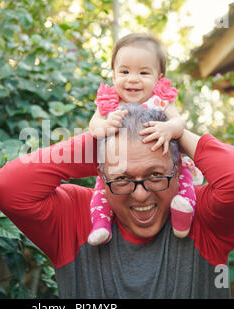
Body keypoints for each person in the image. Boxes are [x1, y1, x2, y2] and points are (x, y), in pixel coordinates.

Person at [0, 42, 234, 300]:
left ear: (178, 166)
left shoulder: (204, 218)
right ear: (101, 174)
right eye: (121, 178)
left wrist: (177, 135)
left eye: (156, 175)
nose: (141, 194)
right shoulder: (75, 218)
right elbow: (7, 187)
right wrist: (99, 145)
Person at [87, 33, 203, 246]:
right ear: (113, 76)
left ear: (159, 79)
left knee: (183, 178)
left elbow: (179, 123)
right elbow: (93, 126)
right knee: (102, 188)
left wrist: (169, 128)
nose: (132, 78)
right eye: (124, 71)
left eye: (143, 72)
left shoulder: (161, 101)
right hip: (119, 165)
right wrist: (105, 126)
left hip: (162, 162)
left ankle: (182, 216)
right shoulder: (110, 103)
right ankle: (101, 225)